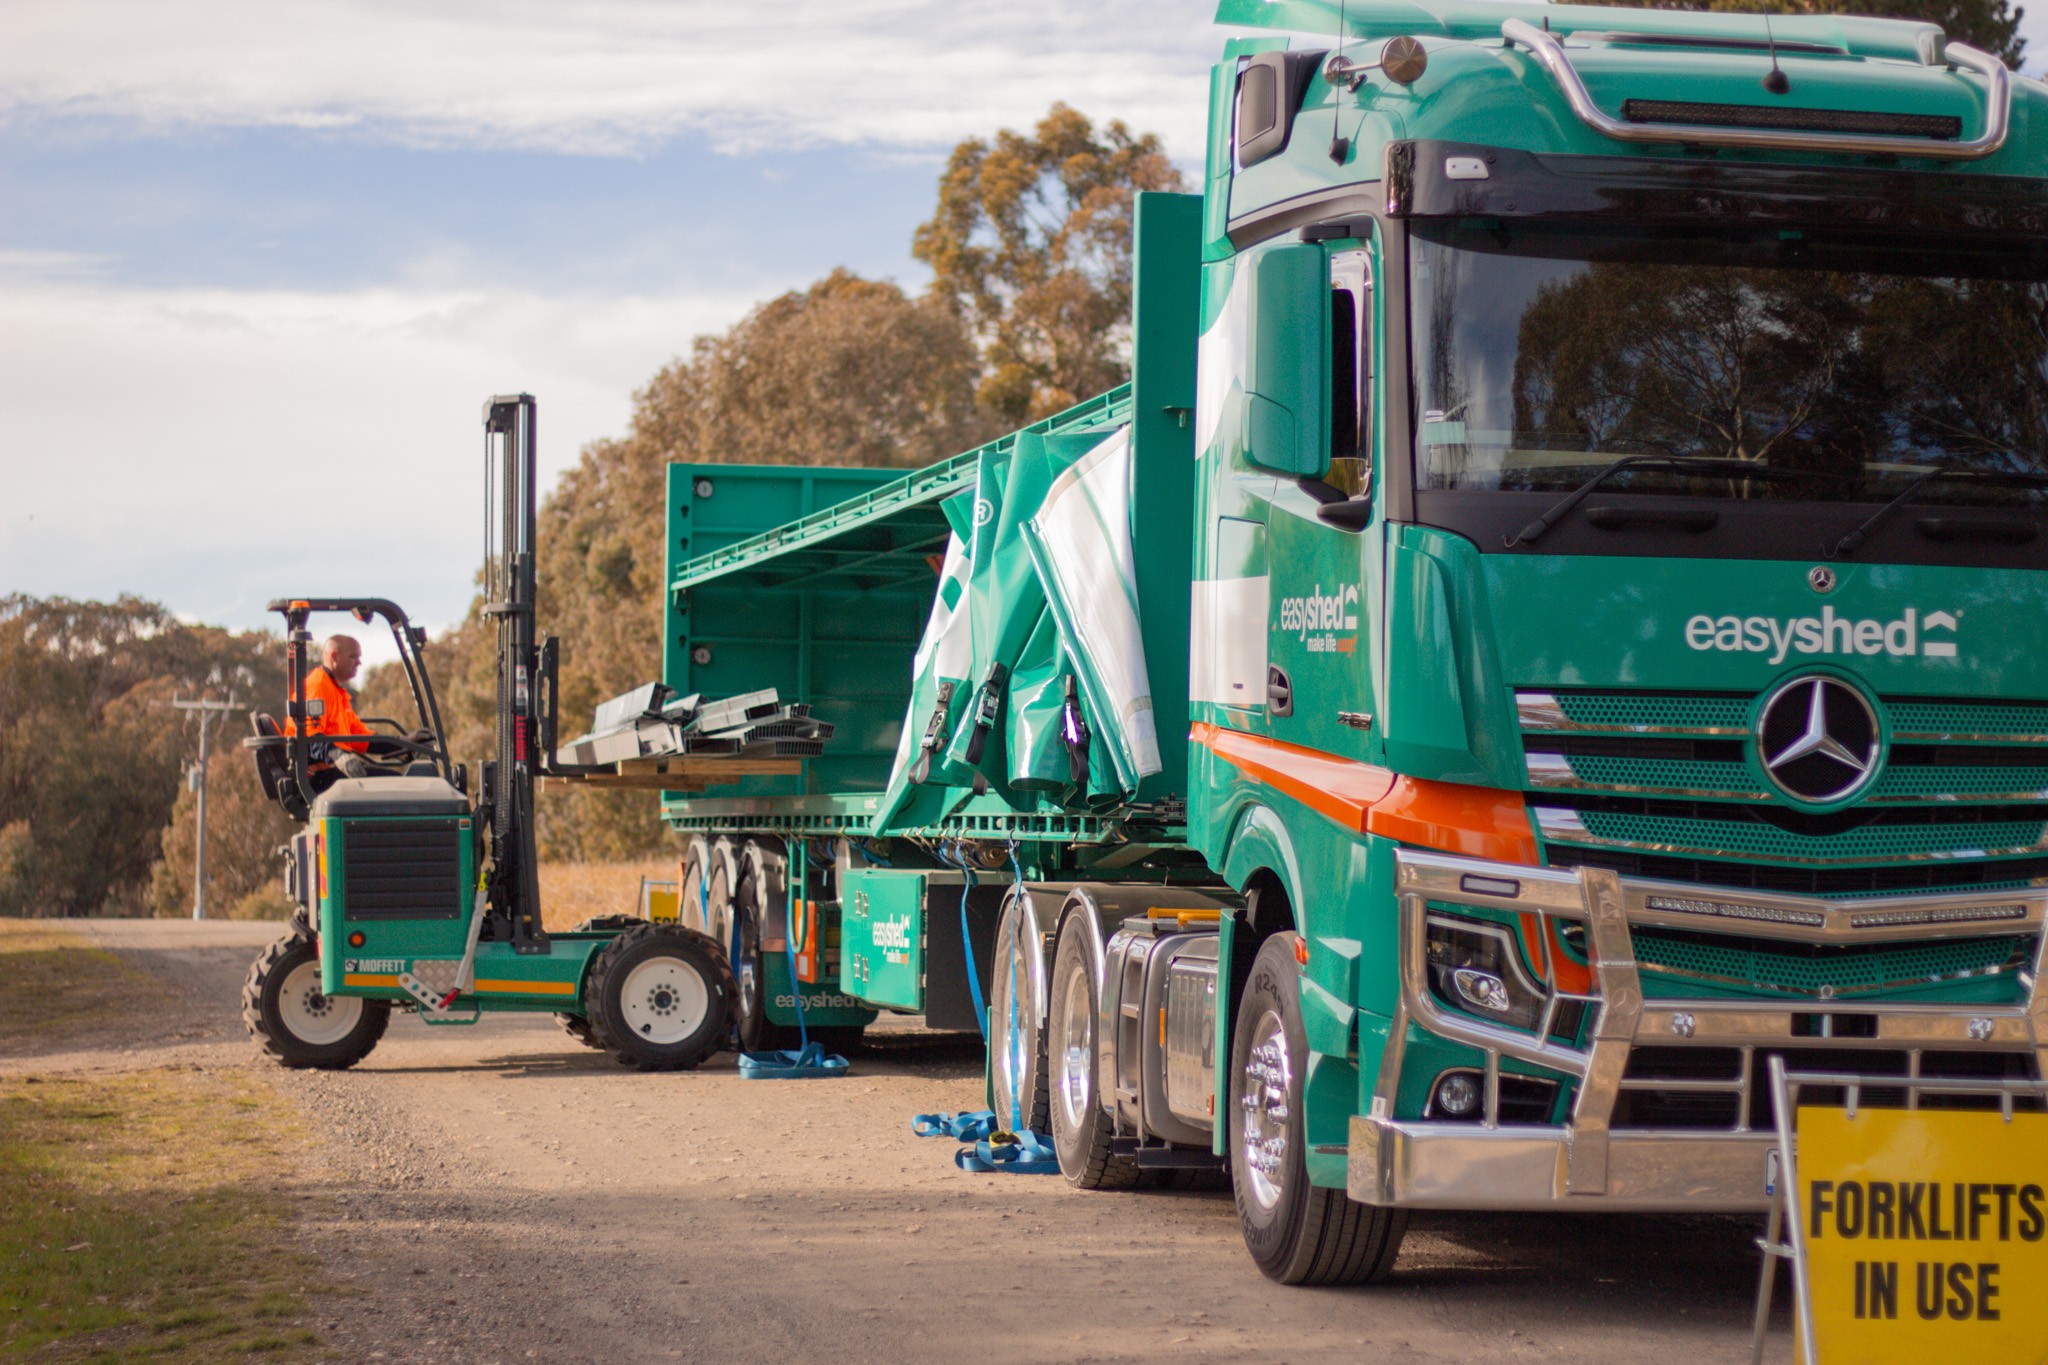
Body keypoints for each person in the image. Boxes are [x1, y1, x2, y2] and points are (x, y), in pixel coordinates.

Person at [288, 635, 413, 779]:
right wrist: (339, 756)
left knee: (398, 782)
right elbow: (310, 737)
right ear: (334, 656)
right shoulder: (318, 687)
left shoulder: (336, 691)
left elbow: (360, 737)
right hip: (318, 776)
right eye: (353, 657)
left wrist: (403, 743)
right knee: (397, 785)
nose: (359, 662)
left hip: (334, 769)